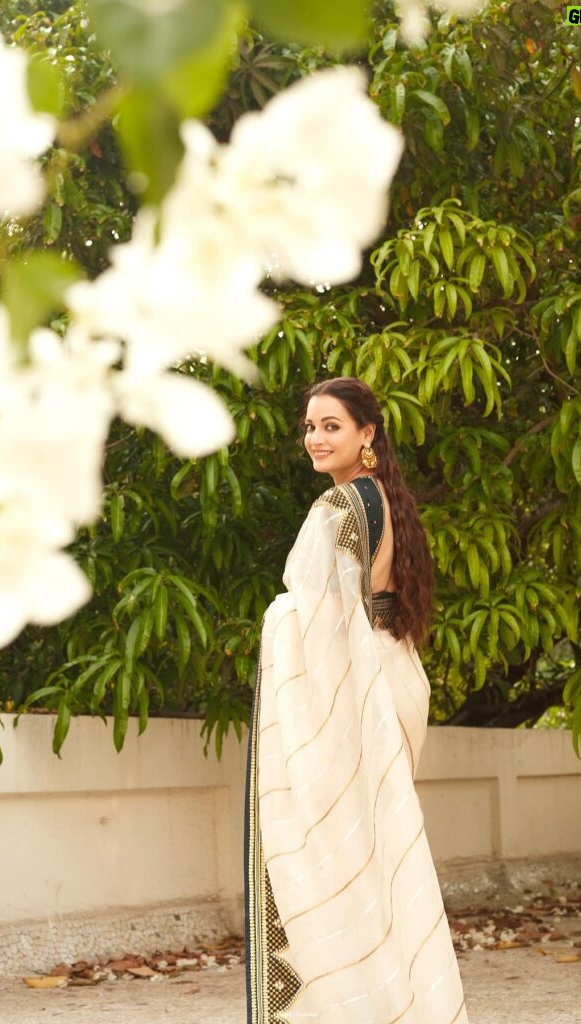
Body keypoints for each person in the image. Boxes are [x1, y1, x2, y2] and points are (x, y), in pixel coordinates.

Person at [245, 377, 468, 1024]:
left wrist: (277, 615)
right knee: (375, 865)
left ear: (366, 433)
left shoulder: (340, 508)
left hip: (356, 688)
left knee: (332, 862)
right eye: (309, 426)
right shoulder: (383, 502)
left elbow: (316, 618)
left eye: (331, 426)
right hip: (390, 676)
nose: (315, 438)